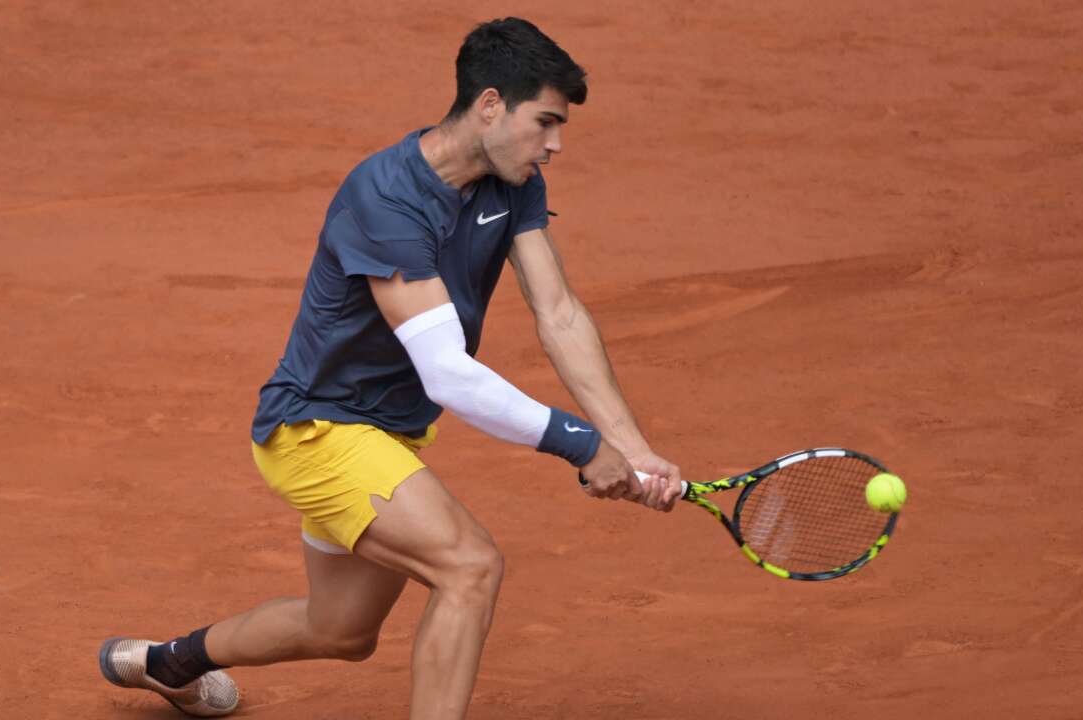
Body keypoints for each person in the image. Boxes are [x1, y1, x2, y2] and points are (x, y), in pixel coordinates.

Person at [98, 17, 683, 719]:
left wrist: (635, 447)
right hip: (317, 430)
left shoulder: (511, 180)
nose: (556, 145)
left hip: (384, 434)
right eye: (546, 122)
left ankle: (169, 664)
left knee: (340, 630)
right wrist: (583, 444)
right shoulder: (387, 196)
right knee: (470, 567)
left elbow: (557, 313)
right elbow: (447, 374)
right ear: (490, 104)